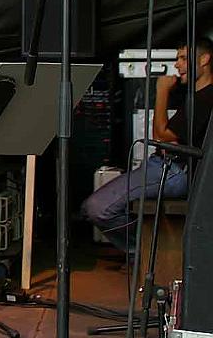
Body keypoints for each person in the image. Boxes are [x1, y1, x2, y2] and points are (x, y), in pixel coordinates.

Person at [82, 36, 213, 253]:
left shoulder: (206, 98)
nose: (177, 65)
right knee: (89, 208)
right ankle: (150, 253)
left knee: (98, 208)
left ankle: (148, 254)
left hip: (174, 170)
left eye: (183, 58)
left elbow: (160, 134)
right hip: (163, 165)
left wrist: (161, 90)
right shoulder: (196, 96)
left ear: (204, 59)